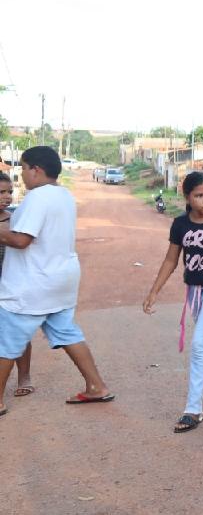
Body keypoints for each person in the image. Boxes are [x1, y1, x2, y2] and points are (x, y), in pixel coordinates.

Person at [0, 146, 114, 417]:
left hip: (32, 283)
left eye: (24, 169)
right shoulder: (64, 195)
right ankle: (96, 385)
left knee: (6, 342)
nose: (23, 175)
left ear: (35, 170)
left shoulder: (37, 197)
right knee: (67, 333)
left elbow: (21, 240)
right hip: (60, 280)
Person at [143, 171, 203, 433]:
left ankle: (193, 410)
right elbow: (170, 260)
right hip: (195, 291)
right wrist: (154, 291)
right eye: (200, 195)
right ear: (187, 197)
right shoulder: (180, 225)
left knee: (199, 344)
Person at [0, 172, 33, 398]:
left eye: (9, 192)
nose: (7, 197)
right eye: (1, 192)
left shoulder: (16, 219)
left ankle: (24, 376)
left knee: (19, 332)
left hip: (13, 283)